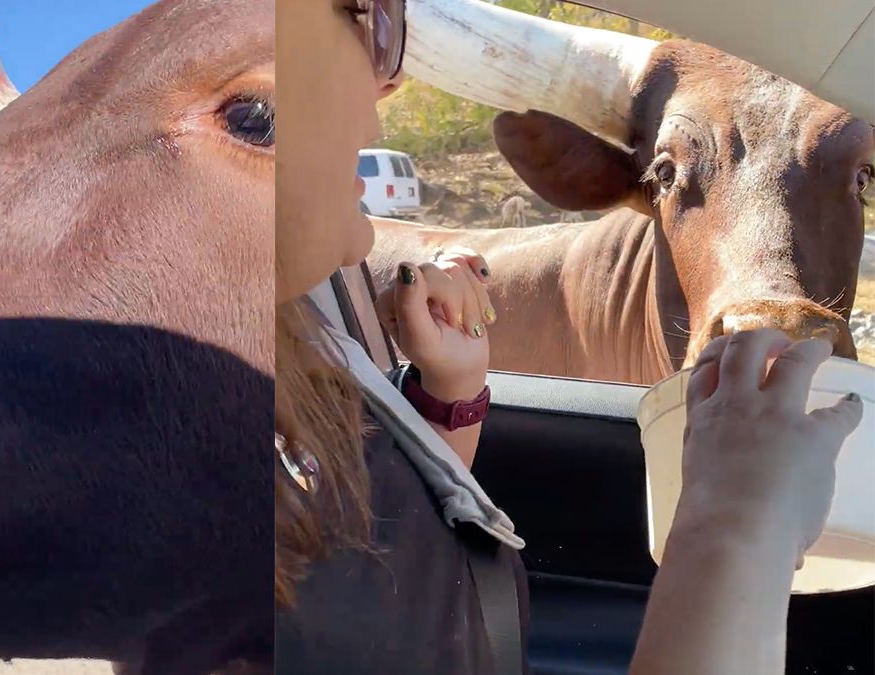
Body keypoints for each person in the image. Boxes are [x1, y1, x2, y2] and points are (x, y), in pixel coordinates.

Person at [273, 1, 866, 673]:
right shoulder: (239, 446)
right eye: (255, 114)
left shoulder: (315, 347)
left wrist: (451, 393)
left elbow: (401, 514)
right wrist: (740, 514)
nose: (382, 105)